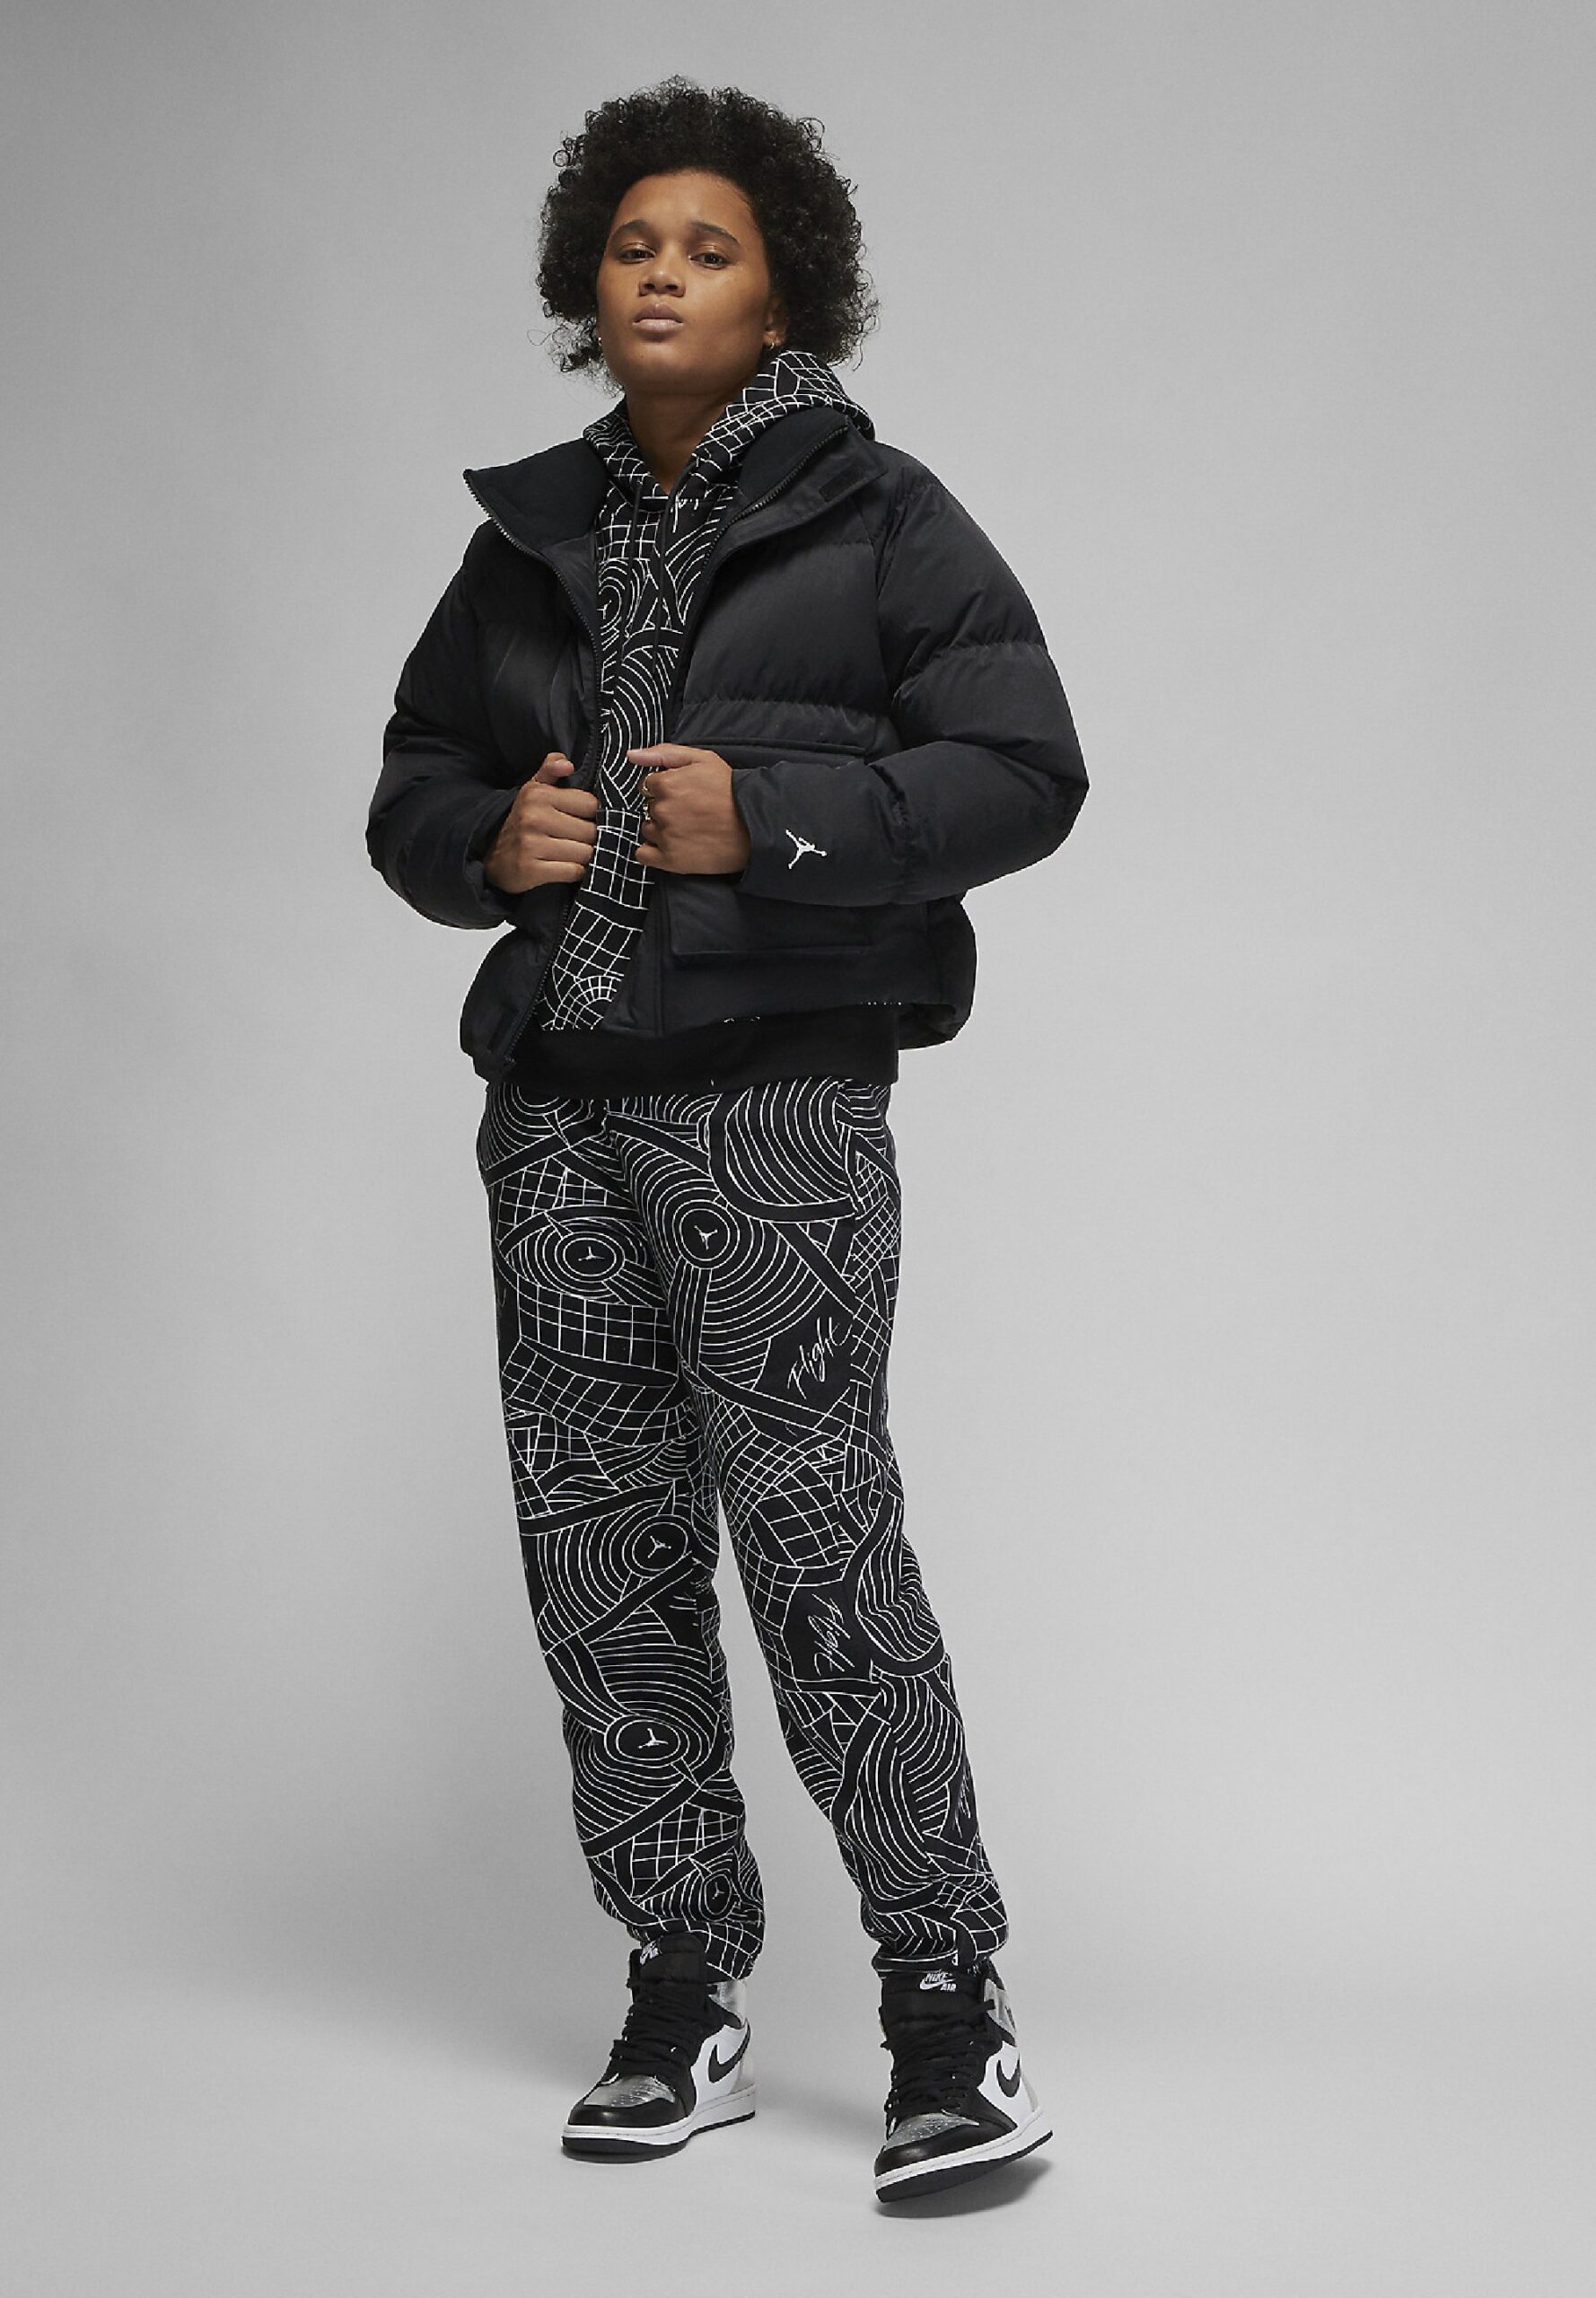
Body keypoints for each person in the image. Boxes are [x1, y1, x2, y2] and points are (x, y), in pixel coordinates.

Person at [365, 75, 1088, 2202]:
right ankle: (679, 1980)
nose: (663, 274)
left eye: (711, 247)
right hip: (559, 1108)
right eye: (632, 245)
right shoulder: (527, 539)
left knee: (814, 1536)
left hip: (775, 1096)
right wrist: (487, 838)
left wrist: (768, 819)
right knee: (599, 1549)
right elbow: (411, 779)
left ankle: (945, 2000)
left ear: (785, 296)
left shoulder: (882, 517)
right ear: (584, 286)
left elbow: (1025, 768)